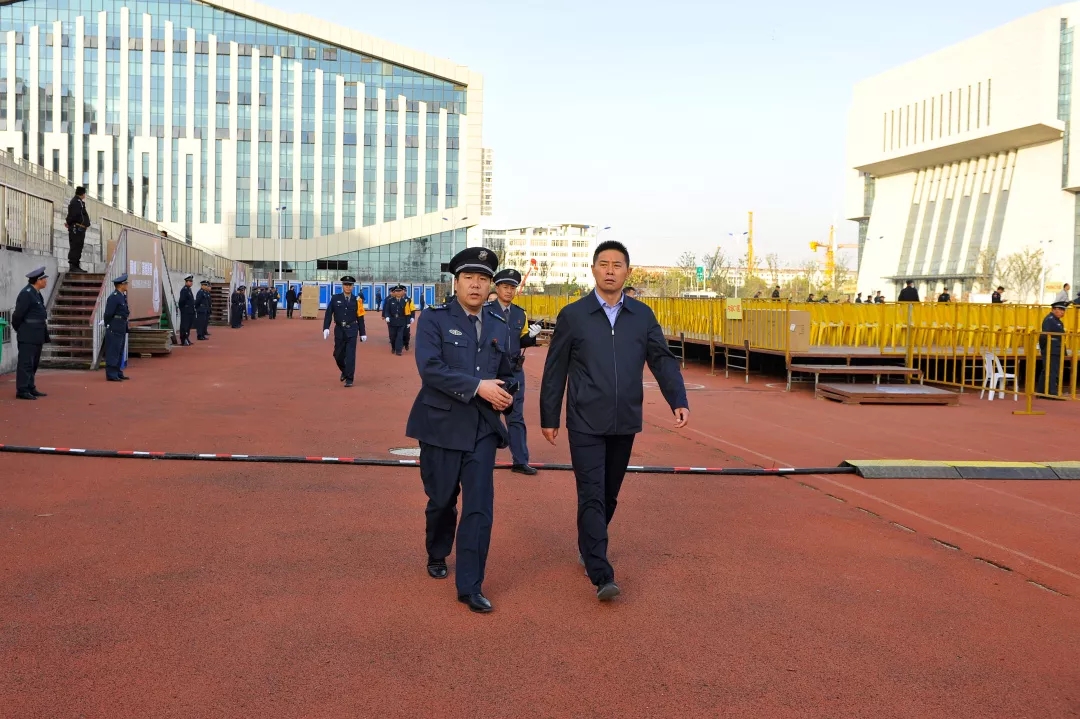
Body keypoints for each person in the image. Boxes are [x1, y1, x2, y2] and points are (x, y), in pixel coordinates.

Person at [540, 240, 689, 602]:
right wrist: (549, 415)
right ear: (593, 269)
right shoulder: (574, 315)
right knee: (591, 492)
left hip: (625, 420)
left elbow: (662, 359)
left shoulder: (642, 316)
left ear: (627, 272)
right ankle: (601, 572)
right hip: (584, 420)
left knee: (608, 494)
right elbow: (555, 368)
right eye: (603, 264)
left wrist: (678, 399)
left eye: (617, 265)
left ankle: (588, 544)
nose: (610, 270)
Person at [405, 247, 516, 614]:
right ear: (456, 283)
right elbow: (431, 369)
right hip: (440, 425)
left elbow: (507, 371)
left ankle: (470, 586)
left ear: (490, 286)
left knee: (479, 508)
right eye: (469, 278)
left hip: (482, 428)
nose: (476, 285)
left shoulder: (499, 323)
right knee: (441, 500)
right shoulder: (434, 319)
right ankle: (437, 551)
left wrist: (506, 395)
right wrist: (478, 386)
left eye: (483, 279)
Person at [488, 268, 544, 475]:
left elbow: (521, 341)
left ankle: (520, 461)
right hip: (491, 370)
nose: (509, 291)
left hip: (513, 370)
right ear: (497, 288)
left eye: (512, 287)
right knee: (488, 416)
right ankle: (483, 458)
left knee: (516, 417)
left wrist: (531, 336)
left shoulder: (520, 313)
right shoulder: (485, 310)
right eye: (505, 287)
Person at [11, 267, 51, 400]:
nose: (46, 281)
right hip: (28, 334)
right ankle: (22, 389)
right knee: (26, 363)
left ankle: (30, 386)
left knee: (34, 363)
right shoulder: (26, 293)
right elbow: (17, 316)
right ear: (38, 280)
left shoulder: (36, 293)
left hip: (37, 334)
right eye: (44, 279)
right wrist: (21, 330)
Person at [323, 275, 367, 387]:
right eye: (346, 285)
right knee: (337, 355)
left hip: (352, 330)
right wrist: (326, 328)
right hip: (339, 330)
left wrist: (363, 333)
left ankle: (349, 379)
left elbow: (360, 317)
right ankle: (345, 371)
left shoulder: (357, 300)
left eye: (350, 285)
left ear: (353, 287)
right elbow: (329, 313)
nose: (348, 287)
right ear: (342, 286)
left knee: (350, 355)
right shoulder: (335, 298)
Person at [103, 274, 131, 381]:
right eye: (125, 283)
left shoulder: (122, 296)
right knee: (113, 350)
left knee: (119, 350)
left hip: (121, 325)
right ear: (120, 285)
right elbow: (108, 313)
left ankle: (118, 371)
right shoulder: (114, 297)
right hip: (114, 326)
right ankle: (111, 373)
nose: (127, 285)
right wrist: (108, 324)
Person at [1037, 301, 1068, 398]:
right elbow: (1044, 336)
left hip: (1056, 348)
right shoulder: (1049, 320)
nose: (1063, 312)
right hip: (1051, 349)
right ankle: (1052, 393)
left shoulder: (1057, 321)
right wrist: (1044, 348)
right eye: (1061, 310)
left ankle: (1041, 392)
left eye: (1064, 310)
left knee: (1048, 370)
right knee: (1052, 371)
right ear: (1055, 309)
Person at [65, 186, 91, 273]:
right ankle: (73, 266)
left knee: (78, 246)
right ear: (83, 194)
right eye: (84, 194)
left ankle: (76, 265)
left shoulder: (79, 202)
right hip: (76, 228)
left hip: (80, 228)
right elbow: (73, 215)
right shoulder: (76, 202)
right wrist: (69, 223)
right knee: (75, 246)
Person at [382, 284, 412, 355]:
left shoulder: (405, 301)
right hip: (392, 321)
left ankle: (399, 351)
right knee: (392, 336)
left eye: (399, 291)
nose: (398, 293)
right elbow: (387, 310)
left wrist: (408, 322)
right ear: (394, 292)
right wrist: (387, 316)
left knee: (400, 336)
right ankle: (393, 347)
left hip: (402, 321)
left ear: (402, 292)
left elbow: (407, 312)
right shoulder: (389, 300)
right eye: (396, 291)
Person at [178, 274, 195, 346]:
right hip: (185, 311)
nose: (191, 283)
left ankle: (187, 338)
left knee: (188, 326)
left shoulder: (189, 290)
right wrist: (183, 309)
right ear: (186, 282)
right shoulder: (184, 290)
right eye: (190, 281)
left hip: (190, 311)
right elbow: (181, 301)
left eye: (191, 281)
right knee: (184, 326)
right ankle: (183, 339)